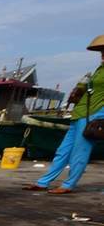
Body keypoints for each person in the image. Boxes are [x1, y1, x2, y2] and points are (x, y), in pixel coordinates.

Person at [24, 34, 104, 194]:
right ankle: (43, 182)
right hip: (79, 114)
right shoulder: (98, 70)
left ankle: (68, 185)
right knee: (63, 151)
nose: (102, 53)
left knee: (79, 153)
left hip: (93, 115)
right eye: (101, 50)